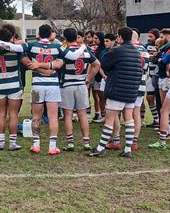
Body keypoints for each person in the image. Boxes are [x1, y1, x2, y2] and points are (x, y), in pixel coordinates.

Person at [19, 24, 88, 155]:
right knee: (53, 116)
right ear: (51, 34)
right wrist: (83, 46)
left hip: (37, 86)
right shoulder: (58, 46)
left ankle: (36, 145)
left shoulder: (32, 45)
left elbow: (21, 55)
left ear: (38, 34)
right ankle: (52, 146)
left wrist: (37, 67)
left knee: (36, 116)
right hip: (53, 86)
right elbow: (72, 56)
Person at [87, 27, 143, 158]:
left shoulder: (117, 51)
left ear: (120, 37)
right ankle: (128, 149)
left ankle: (100, 148)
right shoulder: (136, 51)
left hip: (117, 89)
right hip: (131, 90)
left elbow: (104, 65)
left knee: (110, 118)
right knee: (129, 119)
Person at [59, 28, 100, 152]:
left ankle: (70, 142)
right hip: (82, 85)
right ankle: (86, 142)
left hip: (67, 85)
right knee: (82, 113)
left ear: (65, 38)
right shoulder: (85, 50)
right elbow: (97, 64)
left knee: (68, 114)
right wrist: (89, 78)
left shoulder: (64, 50)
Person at [144, 29, 160, 129]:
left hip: (159, 76)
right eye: (148, 36)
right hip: (150, 75)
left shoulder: (161, 45)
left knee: (160, 100)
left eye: (151, 37)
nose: (149, 39)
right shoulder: (146, 46)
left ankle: (164, 121)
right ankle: (156, 119)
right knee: (149, 98)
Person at [92, 32, 105, 123]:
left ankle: (106, 115)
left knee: (104, 97)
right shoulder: (97, 50)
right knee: (100, 97)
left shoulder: (105, 50)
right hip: (97, 77)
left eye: (96, 38)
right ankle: (102, 114)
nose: (94, 40)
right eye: (94, 38)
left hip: (103, 77)